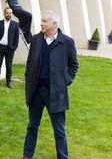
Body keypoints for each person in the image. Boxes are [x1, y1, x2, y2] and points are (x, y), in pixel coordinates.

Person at [22, 11, 78, 159]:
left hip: (56, 93)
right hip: (36, 92)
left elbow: (74, 65)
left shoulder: (67, 42)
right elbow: (30, 62)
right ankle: (27, 156)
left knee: (59, 130)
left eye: (44, 21)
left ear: (54, 23)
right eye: (41, 21)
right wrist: (29, 77)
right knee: (32, 126)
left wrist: (66, 80)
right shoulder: (36, 40)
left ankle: (63, 157)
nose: (41, 23)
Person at [0, 7, 19, 88]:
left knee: (9, 66)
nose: (8, 14)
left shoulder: (15, 24)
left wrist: (14, 47)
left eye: (10, 13)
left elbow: (16, 37)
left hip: (10, 48)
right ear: (4, 14)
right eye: (7, 13)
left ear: (12, 14)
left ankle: (9, 82)